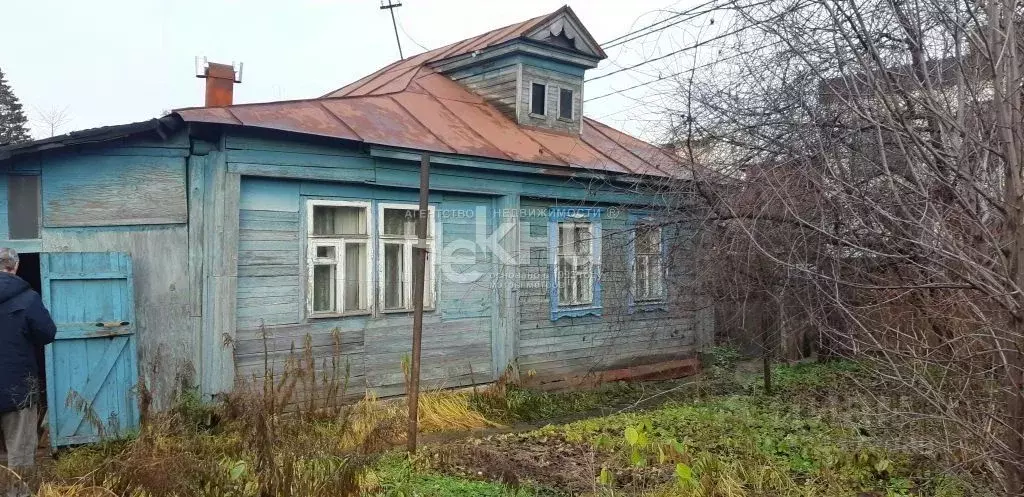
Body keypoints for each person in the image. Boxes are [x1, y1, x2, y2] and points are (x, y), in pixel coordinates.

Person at [0, 248, 56, 471]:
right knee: (20, 456)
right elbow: (47, 333)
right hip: (19, 388)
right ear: (16, 267)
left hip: (17, 386)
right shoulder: (28, 298)